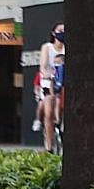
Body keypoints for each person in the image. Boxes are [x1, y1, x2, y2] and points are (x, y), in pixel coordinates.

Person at [38, 22, 65, 153]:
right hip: (49, 82)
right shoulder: (47, 47)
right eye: (60, 30)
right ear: (53, 33)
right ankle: (49, 146)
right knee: (48, 114)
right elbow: (43, 65)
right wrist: (46, 73)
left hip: (63, 81)